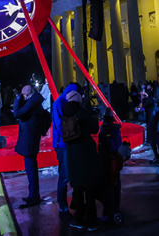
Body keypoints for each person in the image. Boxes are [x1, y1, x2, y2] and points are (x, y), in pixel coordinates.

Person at [62, 91, 102, 230]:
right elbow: (94, 129)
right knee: (89, 188)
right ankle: (91, 220)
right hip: (85, 153)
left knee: (77, 187)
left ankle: (78, 218)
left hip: (72, 154)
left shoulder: (65, 113)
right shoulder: (82, 113)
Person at [13, 84, 45, 208]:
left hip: (30, 140)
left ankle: (33, 196)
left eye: (24, 95)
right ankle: (33, 194)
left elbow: (17, 113)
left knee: (31, 169)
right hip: (31, 139)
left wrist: (17, 99)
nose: (23, 97)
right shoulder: (35, 102)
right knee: (31, 168)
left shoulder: (32, 103)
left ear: (28, 94)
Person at [51, 83, 79, 218]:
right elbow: (58, 126)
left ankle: (69, 204)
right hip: (62, 144)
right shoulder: (59, 104)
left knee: (70, 174)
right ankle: (62, 207)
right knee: (64, 175)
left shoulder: (64, 102)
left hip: (67, 142)